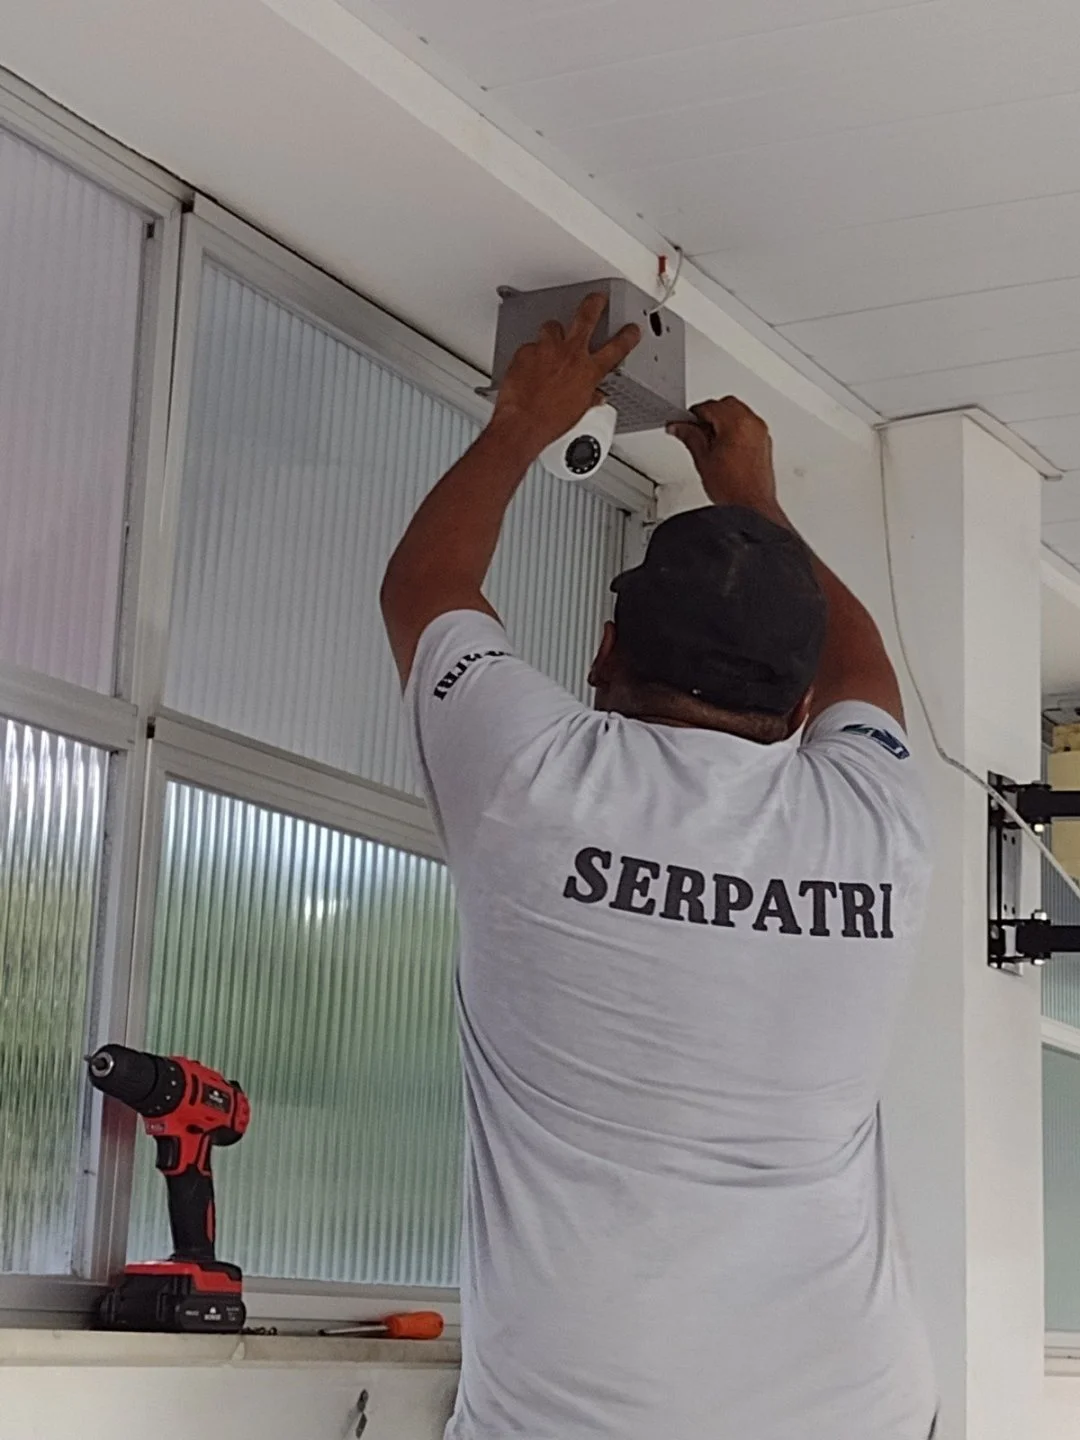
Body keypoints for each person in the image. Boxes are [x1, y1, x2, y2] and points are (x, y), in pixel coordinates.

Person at [380, 295, 937, 1440]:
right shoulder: (872, 823)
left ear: (604, 651)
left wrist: (527, 428)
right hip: (856, 1396)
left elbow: (426, 592)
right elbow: (428, 595)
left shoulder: (542, 784)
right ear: (797, 707)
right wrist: (751, 504)